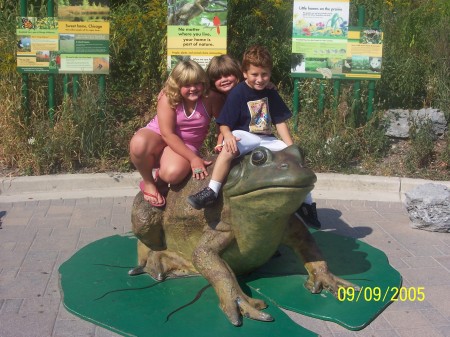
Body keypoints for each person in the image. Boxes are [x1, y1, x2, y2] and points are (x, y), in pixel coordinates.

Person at [187, 45, 321, 228]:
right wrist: (227, 136)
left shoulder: (270, 92)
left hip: (267, 136)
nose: (260, 79)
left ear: (269, 73)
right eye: (255, 75)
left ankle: (307, 205)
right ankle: (212, 190)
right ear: (245, 73)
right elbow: (224, 123)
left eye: (264, 75)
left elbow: (280, 121)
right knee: (228, 149)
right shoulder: (238, 93)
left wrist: (291, 147)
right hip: (245, 135)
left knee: (295, 159)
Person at [129, 60, 219, 207]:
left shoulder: (211, 98)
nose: (193, 88)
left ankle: (162, 178)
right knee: (138, 144)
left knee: (172, 173)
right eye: (187, 85)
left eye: (197, 83)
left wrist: (221, 142)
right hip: (160, 135)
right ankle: (149, 182)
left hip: (187, 143)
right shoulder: (168, 97)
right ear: (177, 85)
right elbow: (167, 134)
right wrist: (194, 159)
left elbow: (223, 124)